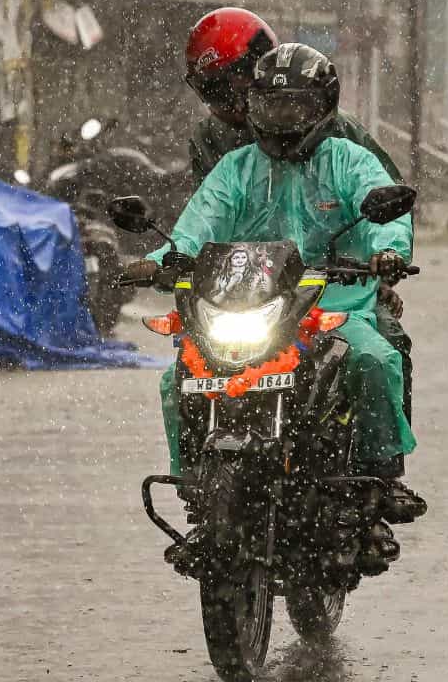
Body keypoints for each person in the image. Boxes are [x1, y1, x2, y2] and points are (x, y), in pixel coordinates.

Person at [125, 45, 426, 566]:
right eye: (269, 107)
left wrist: (388, 252)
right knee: (178, 380)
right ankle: (199, 495)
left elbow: (384, 206)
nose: (280, 120)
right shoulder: (235, 169)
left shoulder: (350, 160)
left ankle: (380, 479)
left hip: (337, 303)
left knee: (375, 359)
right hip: (249, 305)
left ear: (322, 108)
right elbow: (197, 225)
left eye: (293, 108)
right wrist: (162, 260)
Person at [182, 7, 414, 425]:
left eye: (229, 86)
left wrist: (382, 261)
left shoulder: (343, 142)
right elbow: (202, 216)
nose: (222, 105)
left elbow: (386, 203)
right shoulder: (215, 147)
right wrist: (172, 257)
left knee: (382, 353)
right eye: (211, 92)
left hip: (335, 286)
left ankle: (380, 466)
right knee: (184, 373)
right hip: (246, 292)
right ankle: (195, 475)